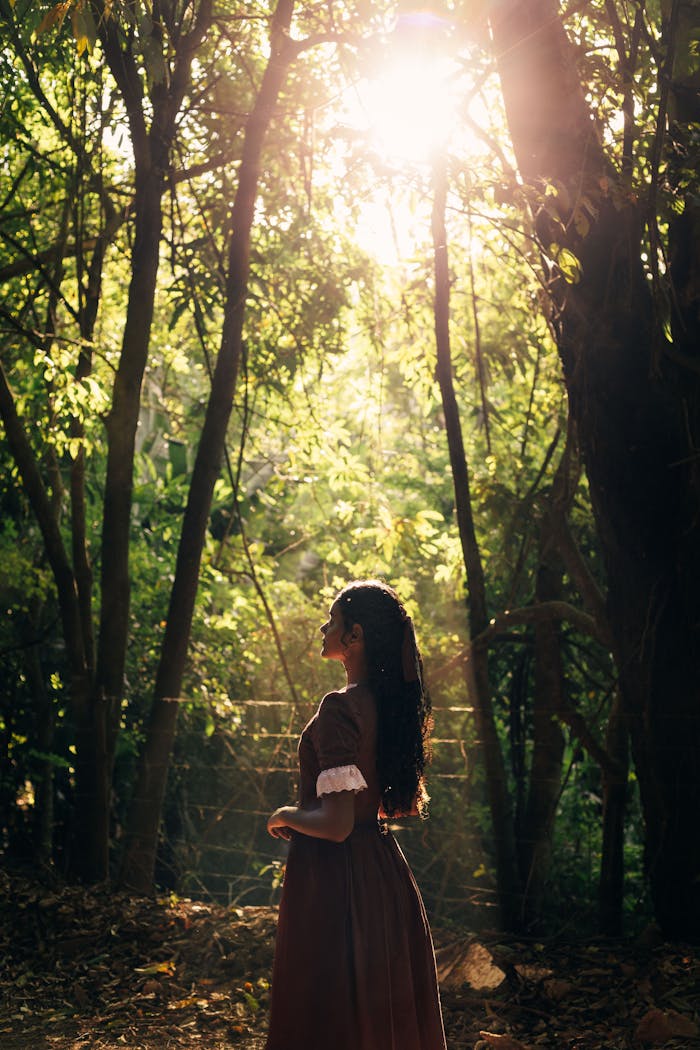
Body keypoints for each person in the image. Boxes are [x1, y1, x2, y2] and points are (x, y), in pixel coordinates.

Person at [265, 579, 447, 1050]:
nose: (323, 628)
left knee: (329, 1012)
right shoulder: (387, 706)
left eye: (333, 621)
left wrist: (285, 814)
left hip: (336, 880)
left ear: (355, 636)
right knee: (374, 1008)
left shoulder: (339, 708)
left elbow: (336, 823)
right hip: (383, 873)